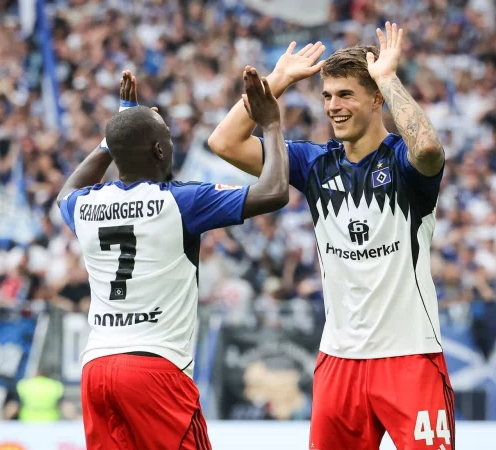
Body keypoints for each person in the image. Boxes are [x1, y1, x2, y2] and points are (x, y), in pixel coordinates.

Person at [209, 24, 455, 450]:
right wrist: (279, 81)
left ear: (376, 98)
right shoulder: (313, 163)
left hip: (410, 356)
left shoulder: (403, 162)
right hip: (339, 360)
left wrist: (388, 77)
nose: (333, 107)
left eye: (345, 95)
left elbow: (429, 148)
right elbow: (225, 142)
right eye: (327, 96)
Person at [57, 69, 289, 450]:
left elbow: (68, 188)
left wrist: (113, 135)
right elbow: (276, 191)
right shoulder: (180, 201)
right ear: (161, 150)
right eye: (167, 135)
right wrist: (272, 124)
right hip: (154, 369)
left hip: (96, 369)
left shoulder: (84, 205)